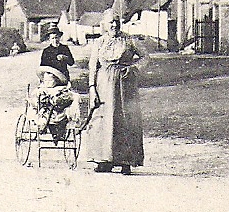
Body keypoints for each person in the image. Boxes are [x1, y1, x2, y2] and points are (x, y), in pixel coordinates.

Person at [83, 14, 147, 175]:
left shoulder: (129, 40)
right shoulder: (100, 42)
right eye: (111, 22)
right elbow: (93, 66)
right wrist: (92, 88)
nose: (114, 25)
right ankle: (104, 160)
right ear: (104, 24)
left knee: (124, 120)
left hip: (124, 86)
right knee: (103, 120)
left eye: (117, 22)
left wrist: (133, 69)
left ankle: (126, 161)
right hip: (103, 85)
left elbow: (146, 57)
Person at [34, 65, 77, 140]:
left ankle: (59, 134)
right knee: (39, 117)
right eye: (45, 81)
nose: (47, 83)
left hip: (58, 113)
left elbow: (67, 98)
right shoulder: (41, 89)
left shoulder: (60, 89)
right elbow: (35, 98)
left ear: (56, 81)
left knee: (62, 118)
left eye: (50, 81)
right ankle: (43, 128)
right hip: (45, 112)